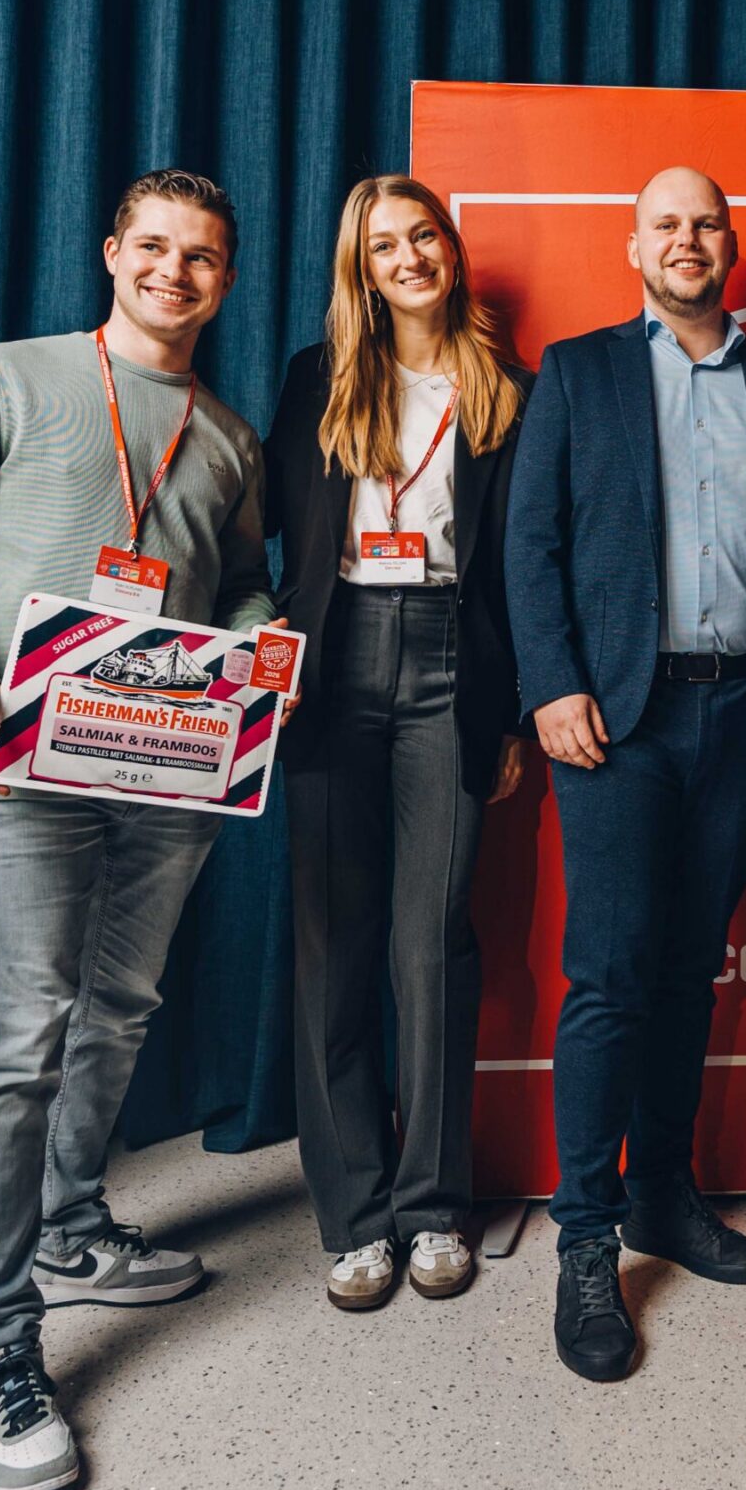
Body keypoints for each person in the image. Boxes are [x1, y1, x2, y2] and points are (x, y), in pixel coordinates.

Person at [0, 169, 278, 1490]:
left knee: (119, 1008)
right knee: (12, 1037)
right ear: (112, 253)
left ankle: (66, 1227)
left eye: (200, 256)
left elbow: (238, 580)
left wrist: (266, 633)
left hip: (169, 769)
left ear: (225, 277)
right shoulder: (6, 377)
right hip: (26, 766)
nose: (174, 271)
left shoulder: (229, 435)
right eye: (153, 246)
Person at [504, 166, 746, 1383]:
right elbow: (530, 542)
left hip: (741, 714)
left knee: (692, 971)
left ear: (729, 246)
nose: (686, 239)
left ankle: (662, 1193)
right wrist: (552, 685)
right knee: (609, 977)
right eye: (665, 224)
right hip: (615, 722)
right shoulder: (578, 371)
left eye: (704, 223)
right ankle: (585, 1239)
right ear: (634, 248)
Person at [262, 175, 529, 1313]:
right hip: (332, 665)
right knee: (333, 943)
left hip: (452, 663)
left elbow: (523, 565)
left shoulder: (506, 388)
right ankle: (355, 1217)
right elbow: (265, 529)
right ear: (360, 269)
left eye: (424, 237)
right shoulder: (317, 378)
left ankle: (432, 1205)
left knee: (432, 944)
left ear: (450, 251)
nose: (409, 257)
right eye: (384, 247)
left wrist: (511, 711)